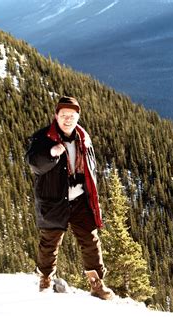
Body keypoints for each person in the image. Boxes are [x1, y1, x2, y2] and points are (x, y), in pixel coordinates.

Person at [25, 96, 114, 300]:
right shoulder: (43, 138)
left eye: (72, 116)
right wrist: (52, 153)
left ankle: (96, 282)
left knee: (90, 240)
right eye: (64, 115)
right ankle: (45, 278)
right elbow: (33, 163)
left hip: (80, 198)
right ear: (56, 116)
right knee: (50, 242)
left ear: (78, 117)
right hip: (54, 200)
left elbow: (90, 168)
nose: (67, 119)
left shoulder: (83, 137)